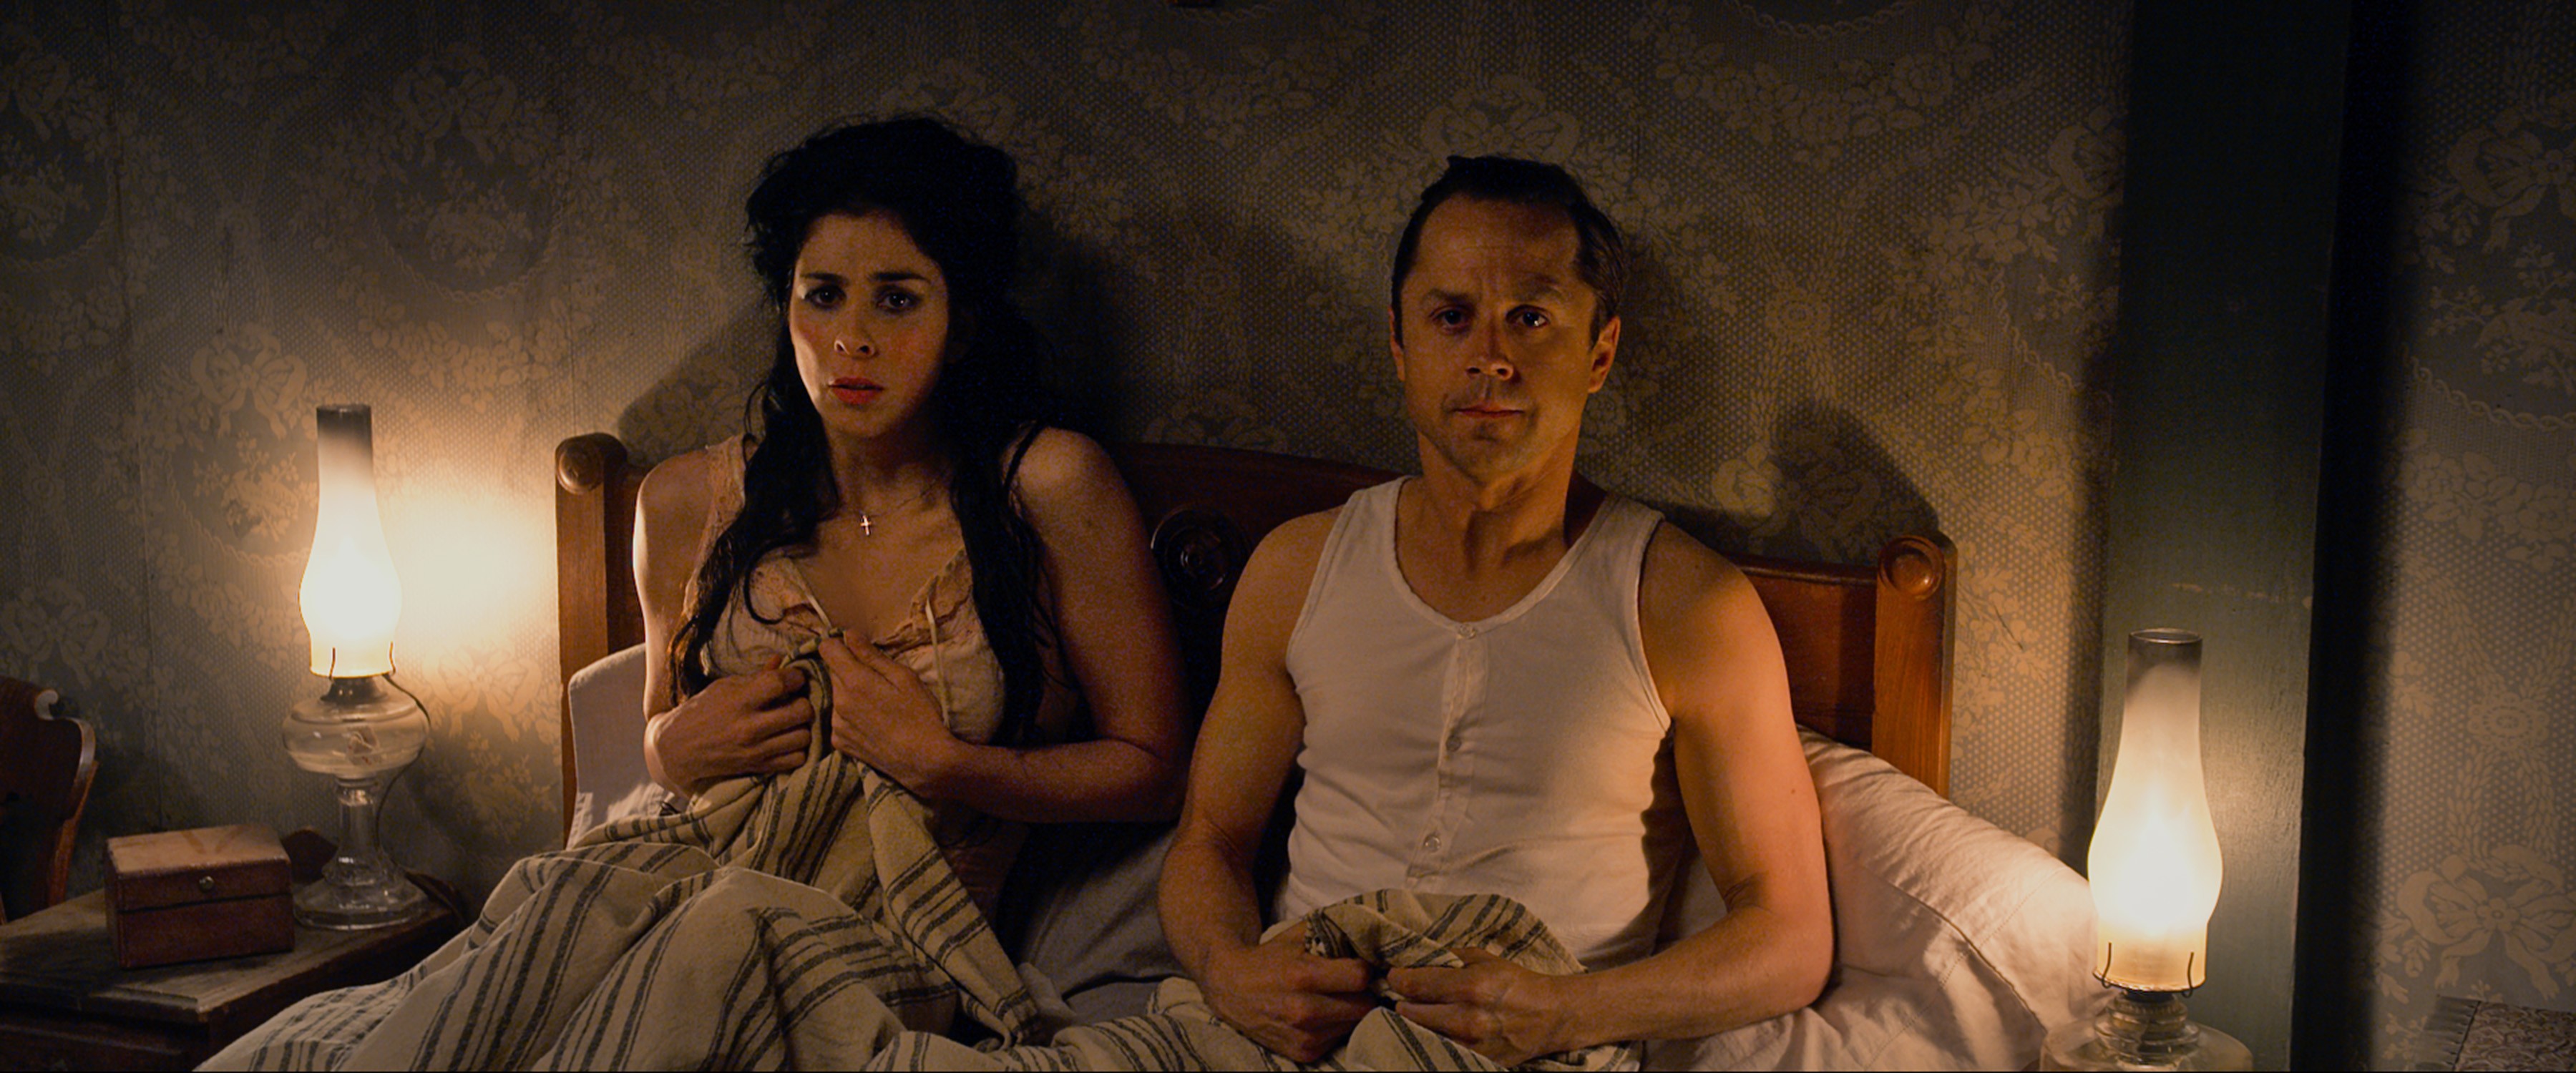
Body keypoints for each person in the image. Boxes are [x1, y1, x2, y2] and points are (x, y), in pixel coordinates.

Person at [1158, 155, 1834, 1065]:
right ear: (1400, 347)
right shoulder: (1295, 569)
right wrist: (1229, 972)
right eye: (1451, 317)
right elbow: (1208, 842)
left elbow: (1790, 937)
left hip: (1531, 1046)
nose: (1490, 357)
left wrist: (1566, 1013)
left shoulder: (1684, 605)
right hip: (1289, 1035)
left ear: (1599, 354)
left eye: (1531, 318)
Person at [635, 116, 1189, 917]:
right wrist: (666, 749)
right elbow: (662, 724)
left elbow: (1156, 772)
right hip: (686, 890)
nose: (852, 340)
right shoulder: (688, 501)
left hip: (902, 935)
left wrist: (950, 768)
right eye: (824, 296)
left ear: (962, 325)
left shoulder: (1050, 486)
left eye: (897, 300)